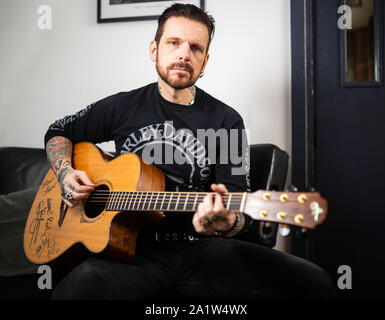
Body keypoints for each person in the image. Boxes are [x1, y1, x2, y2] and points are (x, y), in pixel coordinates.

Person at [45, 3, 335, 300]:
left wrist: (228, 222)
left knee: (314, 283)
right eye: (174, 43)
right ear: (154, 50)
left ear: (205, 61)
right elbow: (58, 131)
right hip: (130, 249)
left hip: (201, 249)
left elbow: (240, 210)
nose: (184, 54)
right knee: (72, 294)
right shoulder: (121, 107)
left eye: (196, 48)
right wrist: (65, 173)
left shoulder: (226, 120)